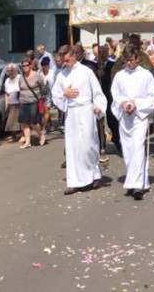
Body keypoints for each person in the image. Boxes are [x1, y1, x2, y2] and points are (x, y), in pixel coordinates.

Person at [52, 44, 107, 195]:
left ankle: (94, 175)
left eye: (67, 60)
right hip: (71, 113)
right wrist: (64, 94)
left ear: (74, 56)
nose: (65, 63)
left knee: (88, 145)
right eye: (63, 61)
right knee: (73, 147)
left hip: (86, 111)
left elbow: (97, 91)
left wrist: (98, 106)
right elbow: (55, 94)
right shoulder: (62, 75)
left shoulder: (86, 72)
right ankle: (74, 181)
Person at [111, 45, 154, 200]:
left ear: (137, 58)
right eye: (126, 61)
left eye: (131, 60)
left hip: (139, 117)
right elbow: (115, 95)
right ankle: (132, 182)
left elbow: (152, 97)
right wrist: (123, 104)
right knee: (128, 149)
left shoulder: (146, 75)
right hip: (125, 117)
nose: (129, 63)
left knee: (138, 148)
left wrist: (136, 104)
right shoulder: (119, 76)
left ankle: (138, 185)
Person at [18, 57, 46, 149]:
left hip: (33, 101)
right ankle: (28, 142)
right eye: (23, 66)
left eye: (27, 65)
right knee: (24, 122)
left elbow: (42, 87)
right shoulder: (21, 77)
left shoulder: (37, 76)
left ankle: (41, 135)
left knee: (33, 123)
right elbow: (20, 88)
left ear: (30, 65)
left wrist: (37, 96)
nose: (25, 67)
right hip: (23, 102)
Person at [2, 62, 22, 142]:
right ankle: (13, 135)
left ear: (15, 70)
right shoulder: (7, 80)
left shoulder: (19, 78)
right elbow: (6, 93)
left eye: (12, 70)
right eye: (8, 71)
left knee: (20, 120)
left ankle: (23, 135)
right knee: (11, 120)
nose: (10, 72)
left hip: (19, 101)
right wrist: (6, 104)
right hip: (11, 101)